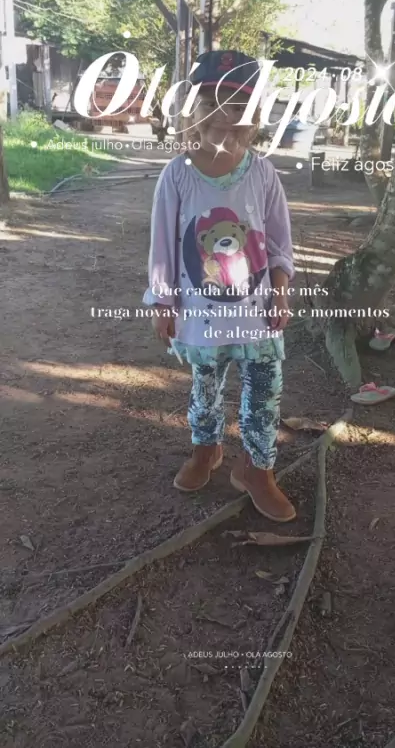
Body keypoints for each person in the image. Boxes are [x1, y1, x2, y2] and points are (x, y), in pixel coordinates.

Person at [143, 49, 296, 523]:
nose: (227, 125)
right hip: (200, 312)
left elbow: (279, 243)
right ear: (197, 111)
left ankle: (256, 469)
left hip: (256, 312)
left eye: (240, 114)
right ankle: (206, 450)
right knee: (205, 383)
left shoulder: (263, 173)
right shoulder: (178, 174)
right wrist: (163, 301)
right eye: (215, 110)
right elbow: (163, 247)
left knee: (265, 386)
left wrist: (280, 291)